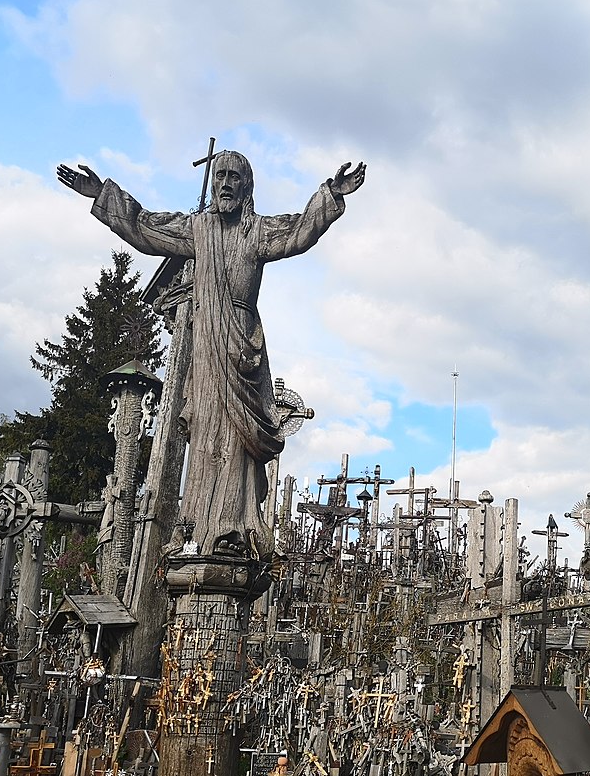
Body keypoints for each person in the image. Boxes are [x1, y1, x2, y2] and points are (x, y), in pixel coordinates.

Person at [57, 151, 365, 556]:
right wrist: (102, 194)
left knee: (237, 440)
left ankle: (233, 528)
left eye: (234, 176)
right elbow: (147, 227)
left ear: (247, 187)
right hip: (206, 349)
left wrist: (330, 194)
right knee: (204, 430)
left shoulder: (257, 231)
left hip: (242, 352)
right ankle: (196, 528)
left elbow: (298, 233)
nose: (225, 183)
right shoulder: (197, 230)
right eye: (220, 175)